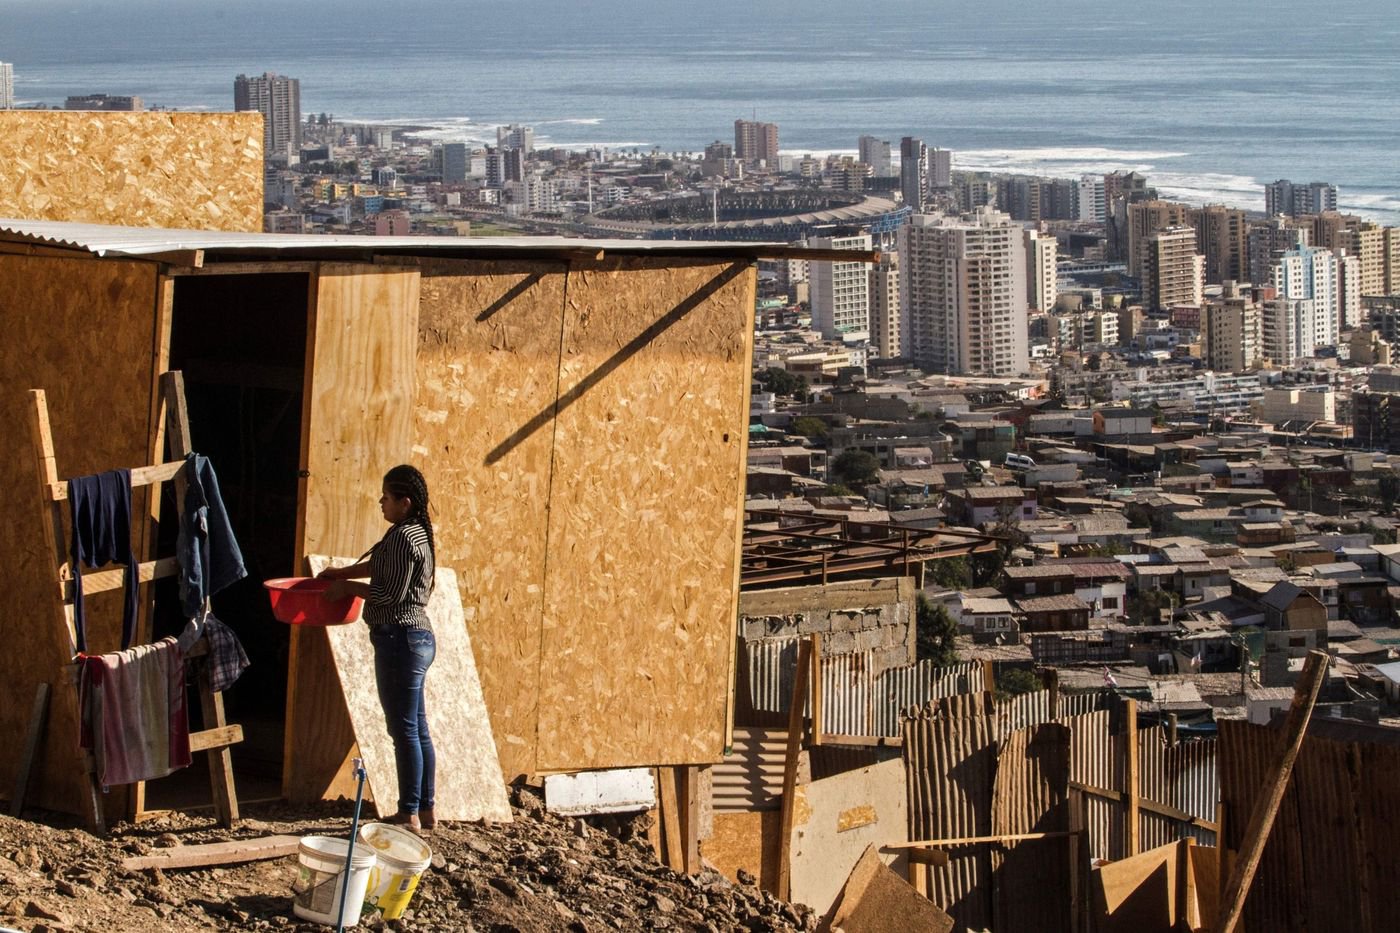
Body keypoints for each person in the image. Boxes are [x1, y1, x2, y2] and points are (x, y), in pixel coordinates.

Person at [319, 464, 437, 834]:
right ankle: (426, 808)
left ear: (404, 502)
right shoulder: (413, 534)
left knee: (403, 730)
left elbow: (388, 594)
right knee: (417, 728)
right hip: (416, 638)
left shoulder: (404, 537)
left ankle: (408, 813)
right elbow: (384, 568)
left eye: (386, 497)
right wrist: (341, 573)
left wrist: (345, 590)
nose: (380, 502)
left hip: (399, 637)